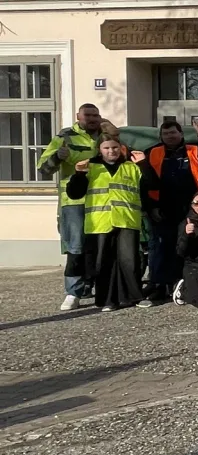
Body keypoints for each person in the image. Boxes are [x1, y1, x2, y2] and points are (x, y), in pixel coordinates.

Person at [64, 136, 150, 312]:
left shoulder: (132, 167)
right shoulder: (90, 167)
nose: (111, 151)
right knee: (102, 262)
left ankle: (135, 297)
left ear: (121, 148)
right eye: (106, 148)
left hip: (127, 220)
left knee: (130, 261)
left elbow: (152, 185)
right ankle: (107, 301)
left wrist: (144, 165)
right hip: (99, 223)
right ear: (99, 150)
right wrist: (79, 174)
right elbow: (74, 194)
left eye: (115, 147)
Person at [40, 102, 104, 310]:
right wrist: (57, 157)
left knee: (99, 247)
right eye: (88, 115)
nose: (92, 119)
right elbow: (43, 169)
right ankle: (72, 293)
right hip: (74, 201)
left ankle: (94, 286)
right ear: (78, 116)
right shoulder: (64, 137)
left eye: (95, 115)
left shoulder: (106, 135)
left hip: (102, 199)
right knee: (76, 247)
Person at [141, 118, 198, 303]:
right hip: (162, 208)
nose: (170, 136)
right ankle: (159, 285)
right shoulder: (153, 153)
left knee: (185, 245)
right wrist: (151, 207)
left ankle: (184, 283)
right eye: (166, 133)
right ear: (160, 136)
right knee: (161, 248)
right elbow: (146, 182)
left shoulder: (193, 150)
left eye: (173, 132)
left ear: (181, 134)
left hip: (190, 208)